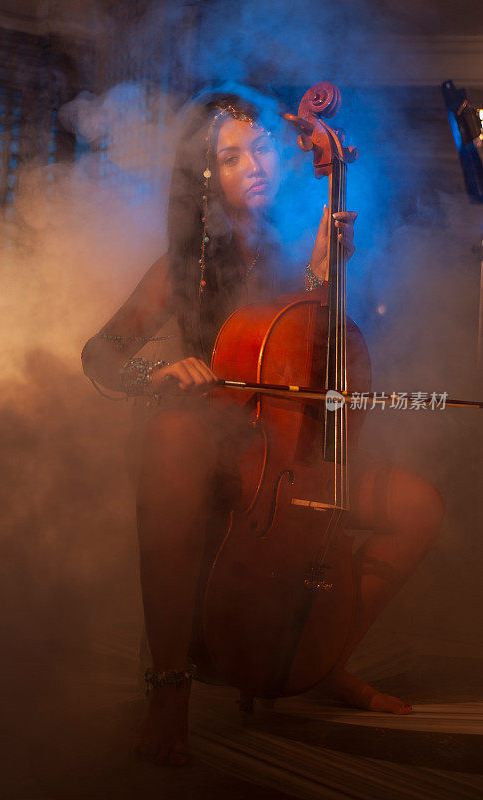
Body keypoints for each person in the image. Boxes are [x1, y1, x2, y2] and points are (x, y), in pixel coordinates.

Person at [81, 89, 444, 766]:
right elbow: (98, 356)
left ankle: (322, 657)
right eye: (230, 155)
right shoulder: (181, 271)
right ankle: (169, 685)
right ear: (205, 176)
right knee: (171, 436)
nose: (254, 164)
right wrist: (154, 376)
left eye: (264, 145)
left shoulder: (290, 255)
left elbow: (317, 354)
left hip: (287, 458)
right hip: (209, 455)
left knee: (418, 507)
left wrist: (330, 268)